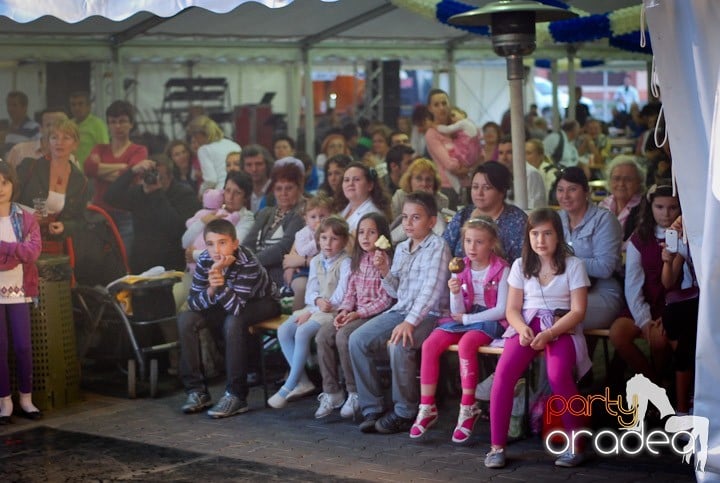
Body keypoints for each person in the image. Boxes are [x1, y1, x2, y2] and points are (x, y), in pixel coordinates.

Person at [484, 208, 591, 469]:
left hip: (559, 325)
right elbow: (511, 309)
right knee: (504, 373)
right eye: (534, 234)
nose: (540, 240)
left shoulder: (573, 265)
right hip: (527, 324)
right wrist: (521, 328)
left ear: (558, 235)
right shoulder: (521, 265)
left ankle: (575, 444)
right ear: (528, 236)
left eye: (547, 233)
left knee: (557, 375)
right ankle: (497, 446)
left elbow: (578, 311)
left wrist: (550, 333)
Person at [349, 191, 450, 434]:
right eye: (405, 217)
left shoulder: (438, 246)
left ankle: (405, 411)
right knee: (357, 340)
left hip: (431, 315)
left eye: (416, 218)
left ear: (431, 221)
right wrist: (385, 270)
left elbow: (431, 292)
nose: (408, 223)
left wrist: (410, 323)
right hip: (401, 309)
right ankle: (372, 406)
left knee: (399, 343)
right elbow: (396, 291)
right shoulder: (403, 247)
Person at [412, 217, 510, 444]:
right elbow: (457, 310)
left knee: (466, 345)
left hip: (488, 319)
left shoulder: (501, 269)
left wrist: (468, 318)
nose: (472, 248)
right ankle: (427, 406)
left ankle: (468, 407)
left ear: (491, 243)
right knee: (430, 344)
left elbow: (501, 309)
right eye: (468, 241)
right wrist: (455, 292)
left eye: (479, 242)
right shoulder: (459, 266)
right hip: (464, 317)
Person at [178, 218, 280, 418]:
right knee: (186, 319)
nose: (216, 250)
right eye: (210, 244)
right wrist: (212, 287)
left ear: (235, 243)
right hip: (227, 302)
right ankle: (196, 391)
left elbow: (234, 308)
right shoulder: (205, 260)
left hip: (263, 303)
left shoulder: (247, 262)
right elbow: (193, 302)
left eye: (222, 243)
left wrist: (220, 283)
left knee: (233, 322)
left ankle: (236, 395)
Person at [314, 212, 394, 420]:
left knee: (343, 336)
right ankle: (332, 391)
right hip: (354, 312)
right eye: (361, 232)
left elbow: (386, 300)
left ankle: (354, 391)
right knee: (323, 335)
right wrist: (344, 311)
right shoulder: (357, 260)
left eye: (372, 232)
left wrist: (358, 313)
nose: (365, 237)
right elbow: (350, 292)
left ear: (382, 234)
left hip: (373, 315)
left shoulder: (385, 259)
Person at [268, 216, 351, 409]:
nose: (328, 243)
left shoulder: (345, 262)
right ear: (318, 239)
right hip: (315, 307)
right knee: (284, 330)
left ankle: (288, 386)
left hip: (333, 310)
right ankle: (303, 380)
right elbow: (311, 291)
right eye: (324, 238)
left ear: (344, 241)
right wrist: (314, 304)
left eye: (334, 239)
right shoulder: (316, 261)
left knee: (303, 331)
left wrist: (317, 308)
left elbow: (342, 293)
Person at [609, 185, 679, 384]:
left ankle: (664, 382)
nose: (665, 213)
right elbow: (633, 283)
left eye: (672, 207)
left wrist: (669, 314)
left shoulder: (686, 237)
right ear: (651, 207)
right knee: (618, 333)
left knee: (659, 340)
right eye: (659, 207)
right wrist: (644, 319)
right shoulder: (639, 239)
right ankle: (654, 381)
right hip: (643, 300)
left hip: (672, 303)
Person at [104, 155, 201, 273]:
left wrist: (157, 194)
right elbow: (110, 197)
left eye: (158, 175)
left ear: (170, 177)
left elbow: (176, 229)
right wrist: (132, 171)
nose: (153, 178)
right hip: (142, 263)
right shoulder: (140, 192)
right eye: (149, 175)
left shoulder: (184, 194)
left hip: (171, 264)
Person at [0, 160, 42, 425]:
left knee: (23, 346)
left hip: (20, 290)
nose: (0, 188)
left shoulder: (25, 217)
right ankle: (4, 401)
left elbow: (33, 252)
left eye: (4, 182)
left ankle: (26, 399)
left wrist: (5, 248)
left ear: (12, 183)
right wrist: (15, 251)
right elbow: (21, 252)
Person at [555, 167, 623, 330]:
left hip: (602, 292)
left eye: (572, 189)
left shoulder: (604, 220)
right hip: (565, 290)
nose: (565, 196)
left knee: (555, 315)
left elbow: (605, 268)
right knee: (538, 308)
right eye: (560, 190)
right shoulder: (558, 218)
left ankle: (573, 355)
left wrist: (564, 260)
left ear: (586, 191)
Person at [84, 100, 148, 253]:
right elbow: (88, 169)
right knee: (100, 258)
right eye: (113, 122)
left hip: (125, 213)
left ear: (131, 124)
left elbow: (132, 177)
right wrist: (123, 168)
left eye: (122, 121)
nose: (118, 126)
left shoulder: (139, 150)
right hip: (100, 212)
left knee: (125, 258)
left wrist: (101, 170)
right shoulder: (99, 148)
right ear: (108, 125)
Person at [16, 119, 91, 245]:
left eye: (66, 138)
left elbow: (82, 221)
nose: (59, 143)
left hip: (57, 246)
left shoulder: (80, 180)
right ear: (48, 142)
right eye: (54, 137)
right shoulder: (29, 167)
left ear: (75, 144)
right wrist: (27, 215)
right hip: (22, 241)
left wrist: (65, 226)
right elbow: (7, 201)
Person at [443, 162, 527, 262]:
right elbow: (443, 250)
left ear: (502, 191)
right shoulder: (463, 215)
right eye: (475, 187)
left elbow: (522, 263)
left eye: (486, 188)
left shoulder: (517, 221)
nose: (479, 193)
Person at [242, 160, 305, 288]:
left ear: (299, 188)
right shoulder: (265, 212)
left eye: (289, 188)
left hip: (278, 273)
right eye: (278, 189)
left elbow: (283, 248)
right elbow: (248, 243)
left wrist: (249, 264)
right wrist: (241, 260)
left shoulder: (301, 213)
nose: (283, 193)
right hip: (254, 269)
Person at [660, 215, 698, 415]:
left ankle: (684, 403)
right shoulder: (688, 230)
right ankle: (686, 402)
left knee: (688, 338)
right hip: (696, 298)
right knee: (674, 314)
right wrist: (668, 260)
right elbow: (668, 281)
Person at [182, 171, 255, 271]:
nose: (230, 197)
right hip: (197, 271)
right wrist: (202, 222)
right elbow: (185, 242)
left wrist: (194, 255)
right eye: (228, 190)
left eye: (237, 193)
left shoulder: (247, 218)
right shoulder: (214, 210)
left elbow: (229, 250)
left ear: (246, 197)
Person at [282, 194, 333, 310]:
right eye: (313, 217)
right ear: (306, 219)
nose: (318, 220)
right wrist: (317, 240)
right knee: (302, 287)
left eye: (322, 216)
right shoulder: (302, 234)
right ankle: (296, 314)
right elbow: (302, 251)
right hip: (304, 270)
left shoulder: (330, 232)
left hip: (324, 270)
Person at [424, 88, 469, 209]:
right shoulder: (431, 134)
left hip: (468, 185)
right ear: (430, 108)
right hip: (447, 187)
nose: (441, 108)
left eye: (444, 103)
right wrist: (469, 166)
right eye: (436, 105)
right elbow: (449, 165)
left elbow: (477, 154)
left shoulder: (458, 128)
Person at [389, 158, 448, 243]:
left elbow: (440, 229)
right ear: (410, 180)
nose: (424, 184)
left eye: (428, 180)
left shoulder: (442, 200)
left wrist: (428, 200)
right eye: (419, 179)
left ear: (434, 182)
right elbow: (395, 225)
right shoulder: (400, 196)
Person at [188, 115, 241, 194]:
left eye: (195, 136)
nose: (195, 139)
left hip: (220, 192)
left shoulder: (204, 150)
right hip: (240, 189)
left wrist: (201, 192)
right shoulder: (234, 144)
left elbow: (211, 180)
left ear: (200, 135)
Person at [598, 155, 645, 243]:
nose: (621, 184)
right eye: (616, 178)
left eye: (628, 179)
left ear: (639, 182)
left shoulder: (644, 208)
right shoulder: (603, 204)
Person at [335, 162, 391, 233]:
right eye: (346, 180)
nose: (350, 183)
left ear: (370, 185)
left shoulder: (372, 213)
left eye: (356, 179)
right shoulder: (344, 208)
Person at [496, 136, 547, 210]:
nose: (504, 157)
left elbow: (534, 209)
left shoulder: (531, 173)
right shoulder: (500, 173)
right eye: (501, 153)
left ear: (519, 152)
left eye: (509, 152)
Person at [69, 91, 109, 170]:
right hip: (71, 174)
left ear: (89, 107)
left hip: (90, 175)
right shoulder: (68, 125)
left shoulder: (97, 125)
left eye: (80, 104)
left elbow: (105, 150)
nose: (76, 108)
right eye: (73, 105)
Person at [240, 144, 273, 213]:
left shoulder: (277, 189)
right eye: (249, 165)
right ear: (243, 167)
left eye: (259, 164)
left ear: (267, 165)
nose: (254, 169)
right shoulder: (241, 191)